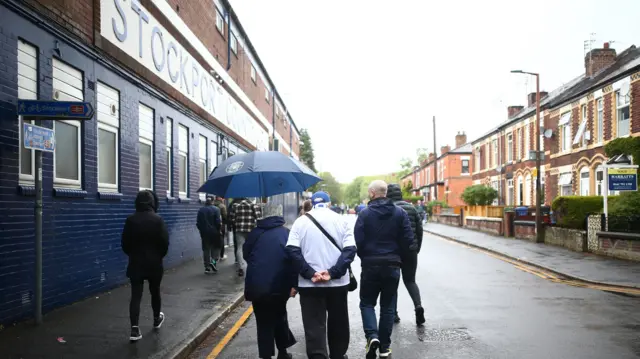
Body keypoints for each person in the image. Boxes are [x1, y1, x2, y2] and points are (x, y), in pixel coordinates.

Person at [286, 191, 356, 359]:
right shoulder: (341, 220)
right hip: (338, 284)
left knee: (313, 325)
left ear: (312, 203)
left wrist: (310, 273)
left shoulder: (300, 222)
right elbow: (350, 250)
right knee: (338, 322)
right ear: (329, 203)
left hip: (310, 285)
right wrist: (332, 273)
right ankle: (338, 355)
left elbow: (292, 250)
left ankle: (318, 356)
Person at [355, 180, 414, 358]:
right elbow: (408, 240)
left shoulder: (364, 214)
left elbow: (358, 240)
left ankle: (372, 337)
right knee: (388, 307)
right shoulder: (400, 213)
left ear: (372, 193)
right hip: (393, 265)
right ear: (385, 193)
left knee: (367, 303)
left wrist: (365, 257)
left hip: (370, 264)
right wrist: (399, 258)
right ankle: (384, 347)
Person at [244, 203, 298, 359]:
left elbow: (246, 255)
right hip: (280, 285)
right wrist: (295, 284)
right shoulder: (286, 233)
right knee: (279, 315)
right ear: (279, 215)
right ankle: (283, 352)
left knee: (263, 321)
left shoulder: (254, 233)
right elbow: (293, 260)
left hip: (258, 285)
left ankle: (266, 355)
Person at [121, 190, 169, 342]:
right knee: (155, 292)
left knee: (136, 295)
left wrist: (133, 255)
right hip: (154, 263)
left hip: (136, 263)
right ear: (152, 203)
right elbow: (164, 243)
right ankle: (156, 319)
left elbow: (125, 244)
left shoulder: (131, 220)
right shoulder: (158, 220)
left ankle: (134, 330)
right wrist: (158, 256)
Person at [386, 184, 425, 325]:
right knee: (410, 281)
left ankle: (394, 314)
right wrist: (416, 248)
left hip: (393, 252)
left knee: (392, 283)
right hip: (410, 250)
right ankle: (418, 306)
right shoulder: (412, 208)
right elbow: (420, 231)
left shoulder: (388, 209)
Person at [229, 197, 262, 277]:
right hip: (251, 230)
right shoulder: (254, 206)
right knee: (251, 248)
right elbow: (259, 219)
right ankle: (251, 266)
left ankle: (241, 267)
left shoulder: (235, 206)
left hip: (239, 230)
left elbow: (232, 219)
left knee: (240, 248)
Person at [197, 196, 223, 274]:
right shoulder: (216, 209)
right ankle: (214, 261)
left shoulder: (201, 210)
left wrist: (201, 231)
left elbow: (198, 223)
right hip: (215, 232)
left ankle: (207, 267)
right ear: (212, 201)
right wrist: (219, 230)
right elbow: (218, 222)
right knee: (217, 247)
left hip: (205, 233)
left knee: (206, 249)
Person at [214, 196, 228, 260]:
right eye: (222, 197)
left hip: (212, 226)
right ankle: (221, 256)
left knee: (213, 241)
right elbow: (225, 217)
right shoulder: (222, 206)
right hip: (221, 225)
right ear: (219, 198)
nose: (223, 199)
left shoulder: (212, 204)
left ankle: (214, 256)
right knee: (221, 240)